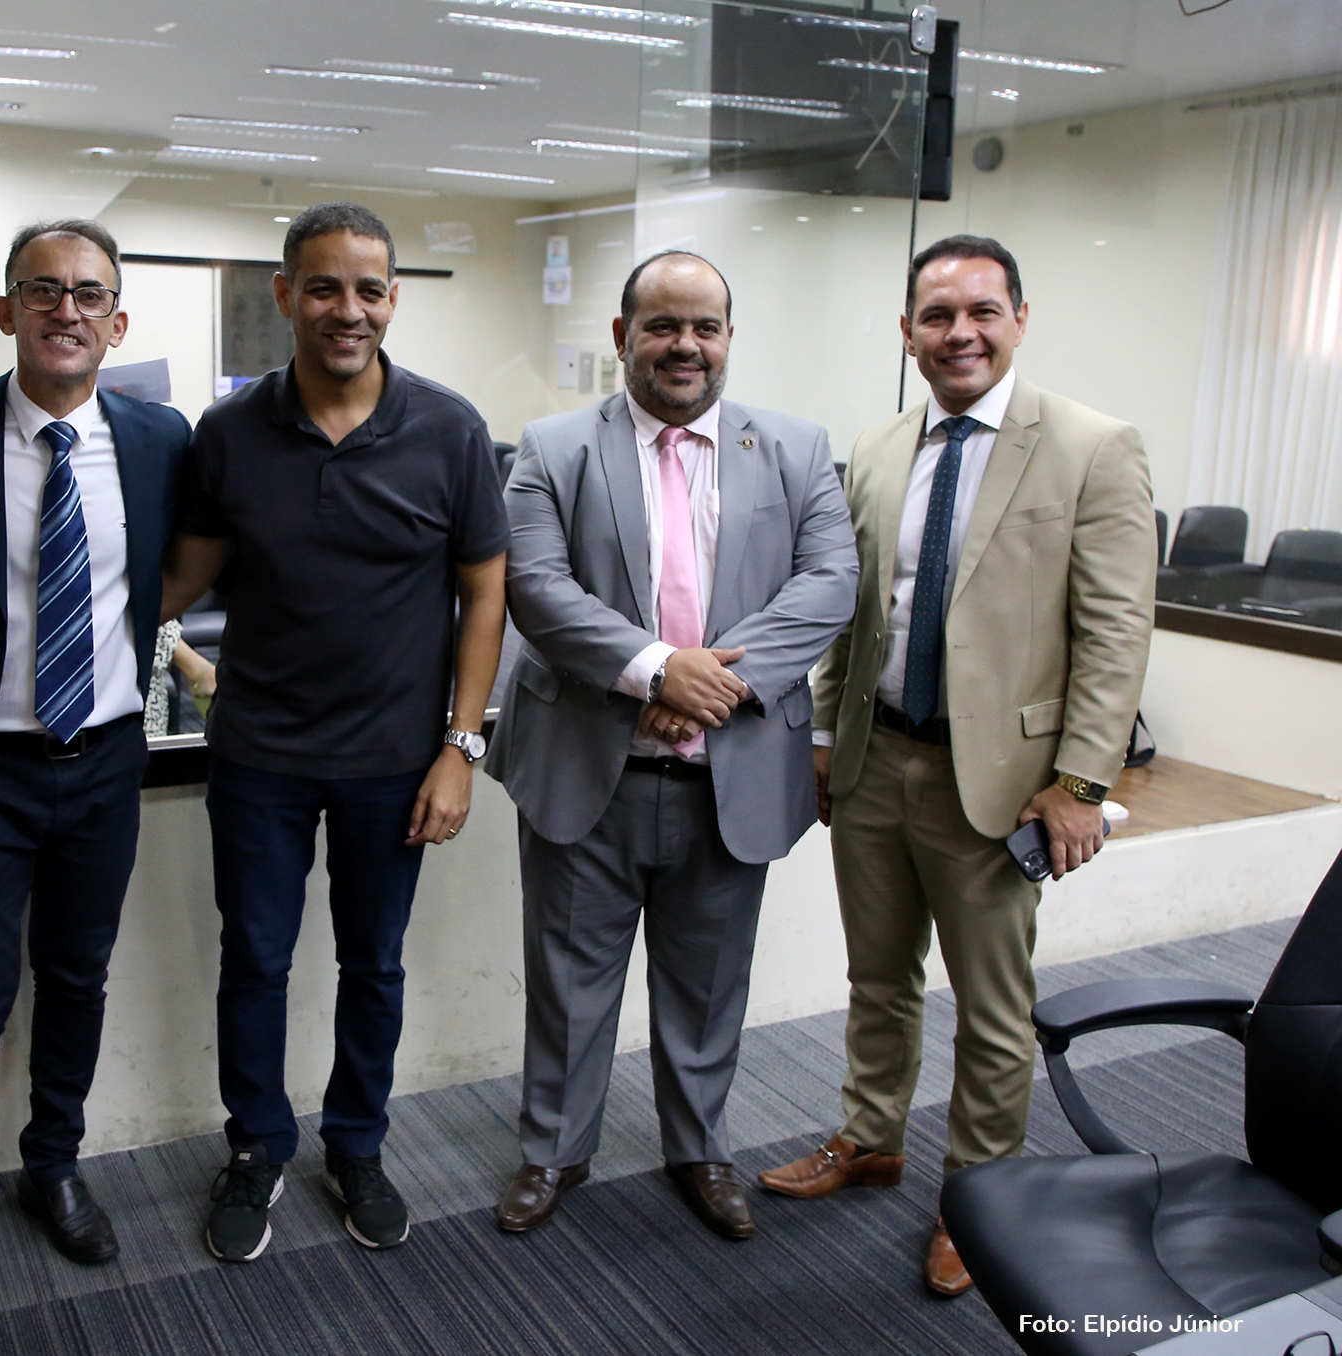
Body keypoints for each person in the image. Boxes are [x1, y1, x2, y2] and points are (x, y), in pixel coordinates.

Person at [756, 235, 1156, 1297]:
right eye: (936, 316)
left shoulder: (1091, 446)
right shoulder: (880, 446)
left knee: (991, 1006)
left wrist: (1082, 784)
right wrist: (825, 736)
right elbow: (855, 610)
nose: (959, 333)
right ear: (907, 333)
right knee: (877, 977)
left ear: (1020, 319)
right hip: (876, 759)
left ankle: (980, 1196)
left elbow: (1116, 632)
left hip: (1003, 784)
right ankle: (869, 1136)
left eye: (981, 311)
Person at [486, 251, 858, 1243]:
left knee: (707, 983)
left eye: (704, 327)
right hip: (587, 768)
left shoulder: (795, 448)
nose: (683, 345)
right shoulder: (554, 446)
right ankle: (553, 1150)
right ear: (623, 337)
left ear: (729, 338)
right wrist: (657, 671)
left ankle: (699, 1150)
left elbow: (829, 583)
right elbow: (537, 589)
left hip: (728, 772)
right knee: (569, 982)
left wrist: (705, 690)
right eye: (661, 326)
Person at [160, 202, 508, 1262]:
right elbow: (182, 575)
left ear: (392, 300)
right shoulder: (229, 432)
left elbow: (485, 594)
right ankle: (257, 1145)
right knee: (254, 962)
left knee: (374, 966)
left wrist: (459, 748)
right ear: (284, 296)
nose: (345, 310)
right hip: (258, 755)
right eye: (322, 287)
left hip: (392, 763)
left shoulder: (449, 429)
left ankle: (356, 1145)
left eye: (366, 290)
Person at [0, 219, 190, 1314]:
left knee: (75, 978)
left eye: (89, 294)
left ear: (118, 321)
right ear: (7, 311)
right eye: (43, 290)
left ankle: (51, 1166)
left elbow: (170, 575)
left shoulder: (159, 439)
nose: (67, 310)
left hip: (103, 759)